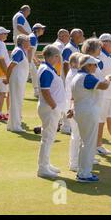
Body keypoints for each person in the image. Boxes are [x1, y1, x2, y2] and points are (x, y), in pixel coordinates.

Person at [71, 54, 111, 182]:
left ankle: (82, 171)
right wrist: (108, 78)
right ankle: (84, 174)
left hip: (81, 111)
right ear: (88, 65)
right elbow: (104, 86)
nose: (96, 67)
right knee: (88, 143)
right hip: (87, 112)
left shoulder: (77, 76)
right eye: (94, 64)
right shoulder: (87, 77)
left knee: (85, 142)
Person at [36, 45, 66, 179]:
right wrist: (54, 106)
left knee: (49, 138)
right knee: (47, 138)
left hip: (50, 108)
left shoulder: (48, 68)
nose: (58, 59)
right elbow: (45, 91)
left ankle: (46, 164)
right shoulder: (46, 70)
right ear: (52, 57)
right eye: (57, 56)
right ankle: (42, 168)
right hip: (49, 108)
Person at [96, 33, 111, 155]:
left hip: (110, 94)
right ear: (104, 44)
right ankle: (97, 145)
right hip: (102, 94)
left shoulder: (109, 56)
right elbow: (96, 73)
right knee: (100, 120)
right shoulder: (99, 58)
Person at [60, 29, 84, 134]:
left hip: (73, 78)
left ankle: (68, 125)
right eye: (80, 35)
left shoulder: (77, 47)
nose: (82, 37)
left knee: (72, 101)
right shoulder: (68, 48)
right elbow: (65, 65)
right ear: (73, 37)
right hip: (69, 79)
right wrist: (67, 80)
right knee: (68, 101)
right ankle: (66, 126)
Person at [6, 35, 30, 132]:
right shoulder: (19, 51)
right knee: (16, 102)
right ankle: (15, 126)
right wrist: (7, 79)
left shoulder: (21, 51)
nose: (29, 43)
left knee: (16, 102)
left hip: (19, 80)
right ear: (23, 42)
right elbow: (10, 66)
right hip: (17, 80)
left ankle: (11, 125)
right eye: (28, 41)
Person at [65, 52, 83, 172]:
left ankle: (79, 160)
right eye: (79, 61)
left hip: (75, 107)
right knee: (76, 136)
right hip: (73, 108)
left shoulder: (75, 73)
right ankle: (73, 163)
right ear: (72, 63)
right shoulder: (74, 74)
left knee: (79, 136)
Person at [28, 23, 46, 98]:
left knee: (35, 74)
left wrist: (36, 60)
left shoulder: (34, 37)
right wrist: (29, 62)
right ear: (37, 30)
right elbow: (30, 50)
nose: (43, 30)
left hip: (29, 59)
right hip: (27, 60)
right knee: (34, 74)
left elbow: (32, 51)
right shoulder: (32, 37)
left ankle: (36, 92)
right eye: (42, 28)